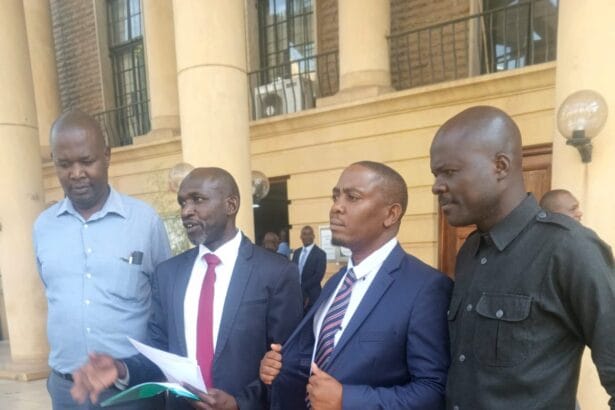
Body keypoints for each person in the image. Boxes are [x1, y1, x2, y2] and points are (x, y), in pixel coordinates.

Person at [70, 167, 304, 410]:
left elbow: (289, 364)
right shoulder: (168, 275)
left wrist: (239, 403)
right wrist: (121, 368)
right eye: (182, 203)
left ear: (231, 205)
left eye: (198, 200)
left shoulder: (276, 272)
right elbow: (158, 351)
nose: (186, 211)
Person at [430, 106, 615, 409]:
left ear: (500, 166)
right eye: (436, 174)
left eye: (449, 172)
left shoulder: (568, 248)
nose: (437, 186)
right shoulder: (470, 252)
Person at [260, 161, 452, 410]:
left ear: (391, 214)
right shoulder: (336, 282)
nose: (336, 207)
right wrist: (280, 365)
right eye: (336, 196)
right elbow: (319, 356)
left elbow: (433, 391)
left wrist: (348, 400)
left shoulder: (426, 287)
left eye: (352, 197)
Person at [33, 110, 172, 410]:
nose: (76, 173)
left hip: (131, 392)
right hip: (66, 391)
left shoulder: (144, 222)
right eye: (65, 164)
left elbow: (165, 304)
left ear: (107, 156)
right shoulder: (43, 227)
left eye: (86, 161)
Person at [291, 225, 327, 313]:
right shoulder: (296, 252)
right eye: (304, 234)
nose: (307, 236)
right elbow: (292, 271)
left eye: (309, 234)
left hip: (312, 296)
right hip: (297, 295)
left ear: (313, 236)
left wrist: (302, 287)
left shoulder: (320, 254)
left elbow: (318, 276)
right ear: (300, 237)